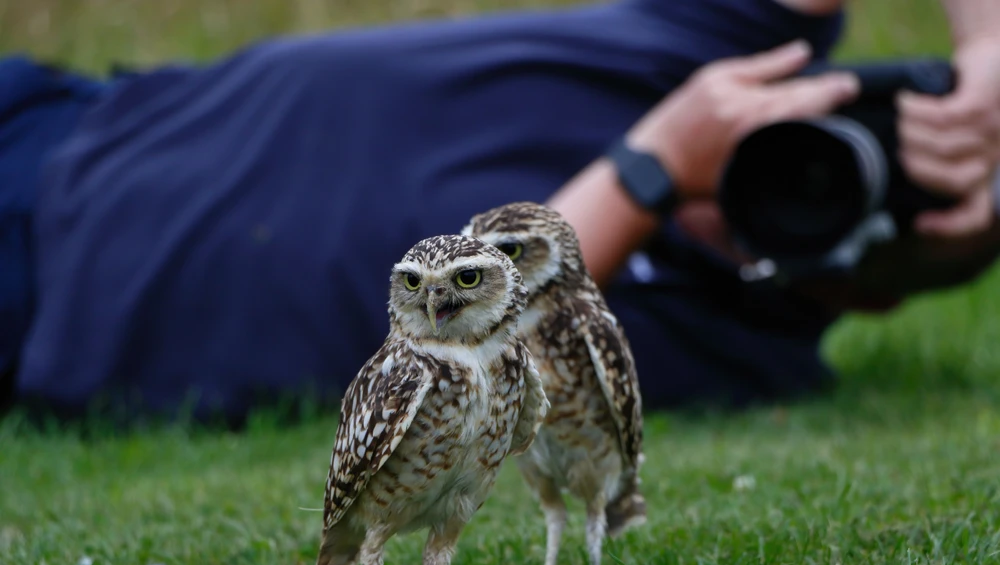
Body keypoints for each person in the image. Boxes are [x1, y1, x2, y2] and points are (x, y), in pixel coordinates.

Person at [1, 0, 999, 424]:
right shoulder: (717, 48)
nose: (808, 180)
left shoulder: (738, 357)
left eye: (924, 212)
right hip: (57, 129)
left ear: (878, 290)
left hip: (45, 303)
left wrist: (651, 167)